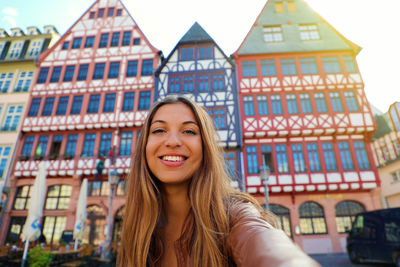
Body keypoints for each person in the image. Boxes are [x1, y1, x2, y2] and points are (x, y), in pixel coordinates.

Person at [118, 95, 320, 267]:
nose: (172, 141)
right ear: (144, 146)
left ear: (205, 147)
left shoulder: (233, 215)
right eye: (159, 130)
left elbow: (264, 242)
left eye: (189, 131)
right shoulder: (137, 226)